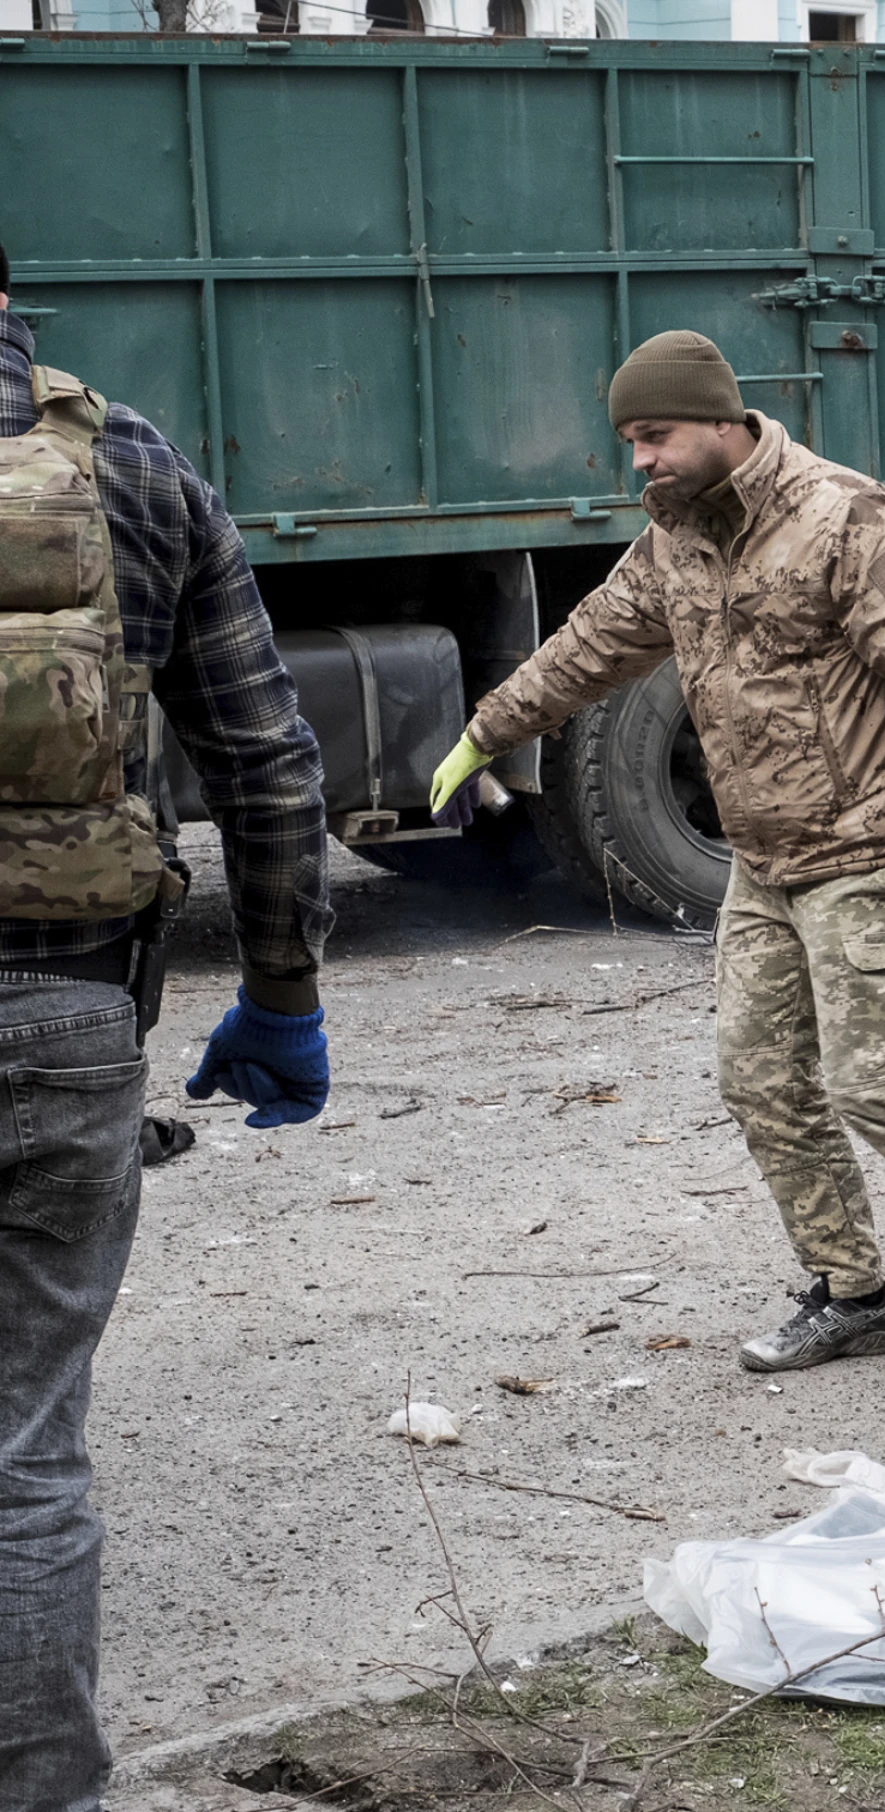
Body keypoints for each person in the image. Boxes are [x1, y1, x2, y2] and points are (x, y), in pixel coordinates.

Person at [425, 330, 885, 1395]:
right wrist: (488, 730)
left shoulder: (848, 520)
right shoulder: (674, 537)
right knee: (760, 1079)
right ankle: (851, 1294)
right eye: (629, 440)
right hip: (765, 861)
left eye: (656, 435)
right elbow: (593, 642)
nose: (640, 459)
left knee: (878, 1086)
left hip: (871, 849)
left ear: (723, 419)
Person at [0, 252, 333, 1812]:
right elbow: (267, 764)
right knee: (27, 1454)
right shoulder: (133, 463)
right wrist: (280, 992)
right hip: (64, 1012)